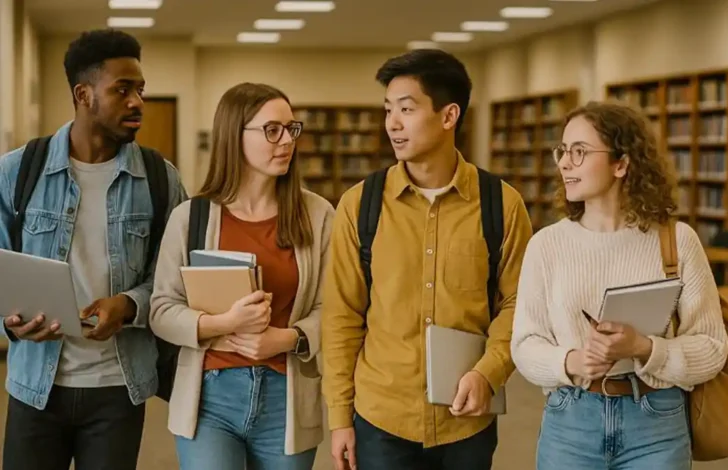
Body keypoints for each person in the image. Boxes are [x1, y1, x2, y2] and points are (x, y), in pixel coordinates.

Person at [322, 48, 533, 470]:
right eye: (388, 111)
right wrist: (340, 417)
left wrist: (488, 372)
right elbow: (342, 316)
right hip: (381, 417)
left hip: (466, 419)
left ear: (449, 115)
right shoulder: (360, 205)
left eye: (406, 109)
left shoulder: (501, 205)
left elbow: (519, 304)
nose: (392, 124)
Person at [0, 29, 187, 470]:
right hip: (34, 387)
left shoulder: (162, 181)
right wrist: (9, 323)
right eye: (122, 89)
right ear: (84, 94)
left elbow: (175, 280)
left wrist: (128, 305)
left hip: (117, 389)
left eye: (140, 89)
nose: (137, 101)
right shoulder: (18, 171)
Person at [510, 101, 728, 469]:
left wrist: (645, 349)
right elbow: (525, 344)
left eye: (579, 152)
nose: (564, 163)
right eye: (562, 152)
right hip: (571, 418)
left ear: (622, 164)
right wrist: (572, 362)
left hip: (656, 420)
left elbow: (712, 347)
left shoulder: (676, 240)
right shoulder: (546, 245)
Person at [149, 82, 332, 470]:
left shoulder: (318, 216)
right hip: (210, 397)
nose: (286, 141)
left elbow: (333, 309)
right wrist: (222, 323)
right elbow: (161, 309)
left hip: (287, 398)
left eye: (291, 129)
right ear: (234, 135)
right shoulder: (191, 217)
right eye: (271, 130)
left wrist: (288, 338)